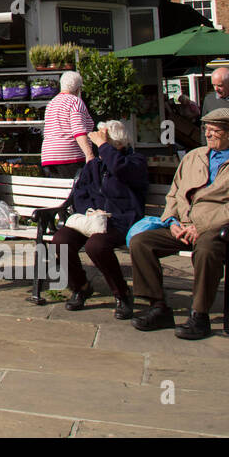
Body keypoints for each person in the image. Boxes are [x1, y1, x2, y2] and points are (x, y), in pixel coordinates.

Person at [129, 109, 229, 340]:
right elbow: (174, 193)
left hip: (222, 229)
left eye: (215, 131)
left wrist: (200, 226)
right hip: (183, 224)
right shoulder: (195, 156)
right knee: (141, 242)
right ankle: (158, 306)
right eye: (207, 130)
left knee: (206, 249)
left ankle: (200, 314)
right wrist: (171, 221)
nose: (208, 135)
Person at [53, 120, 149, 318]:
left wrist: (104, 147)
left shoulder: (134, 161)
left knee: (96, 246)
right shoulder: (95, 165)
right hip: (91, 219)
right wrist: (89, 211)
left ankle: (122, 293)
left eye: (104, 142)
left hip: (120, 220)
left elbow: (121, 169)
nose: (99, 146)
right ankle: (80, 286)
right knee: (61, 239)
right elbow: (79, 193)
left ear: (118, 145)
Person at [40, 71, 95, 178]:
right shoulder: (75, 101)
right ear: (78, 89)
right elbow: (78, 130)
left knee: (61, 192)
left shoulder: (52, 103)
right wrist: (89, 154)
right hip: (69, 156)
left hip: (49, 156)